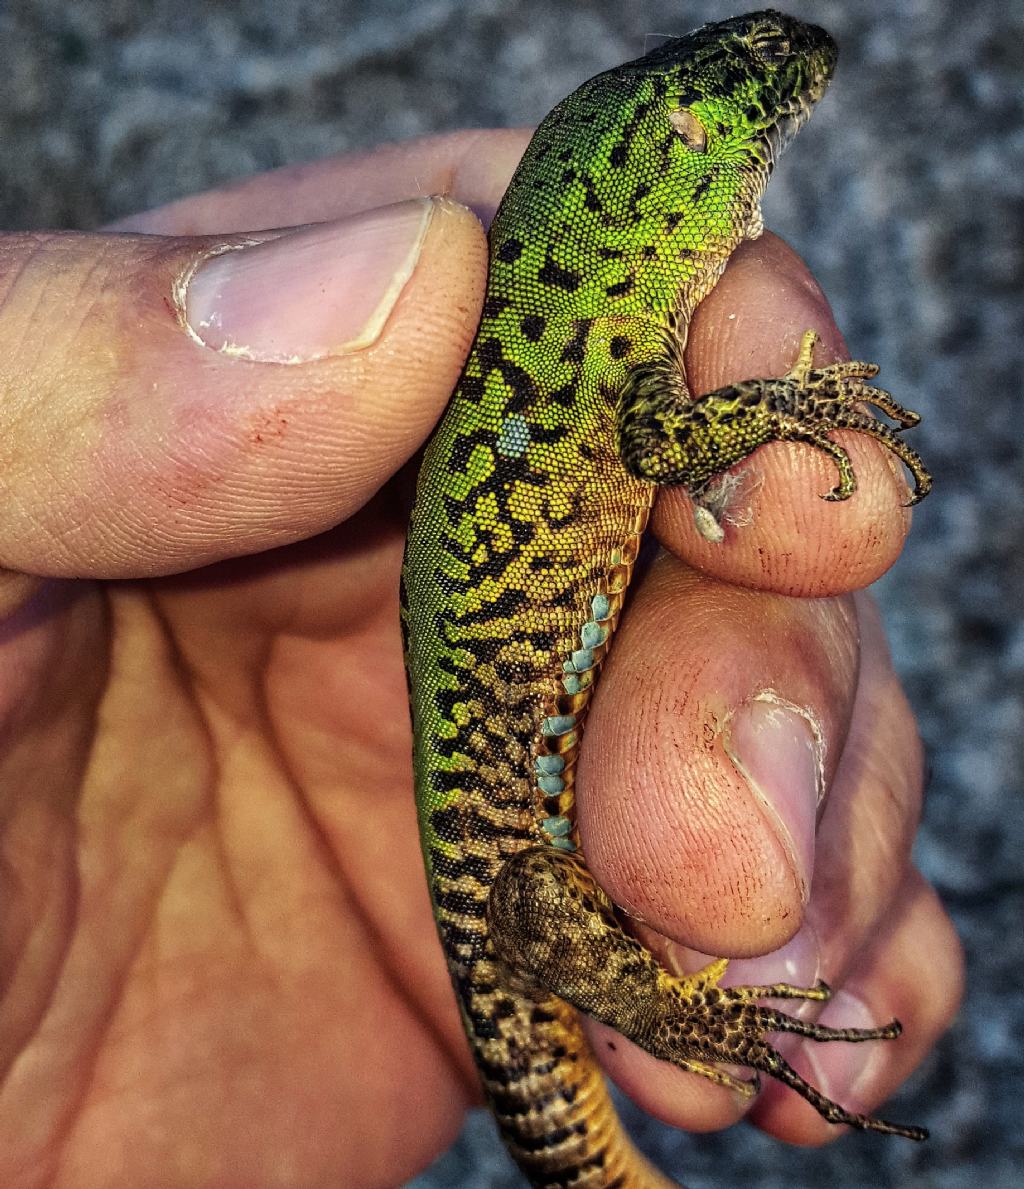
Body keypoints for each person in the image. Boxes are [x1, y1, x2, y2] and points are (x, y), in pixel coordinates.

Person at [0, 129, 962, 1188]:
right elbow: (663, 444)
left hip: (476, 844)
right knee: (584, 900)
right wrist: (786, 405)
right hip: (511, 881)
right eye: (687, 135)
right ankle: (673, 1018)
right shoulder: (602, 335)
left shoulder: (594, 325)